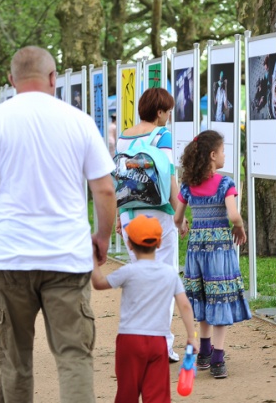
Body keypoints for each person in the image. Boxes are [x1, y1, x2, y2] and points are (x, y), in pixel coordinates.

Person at [0, 46, 116, 402]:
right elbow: (105, 189)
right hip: (67, 257)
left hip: (10, 257)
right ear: (52, 77)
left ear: (12, 80)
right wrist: (102, 236)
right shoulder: (79, 120)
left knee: (15, 361)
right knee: (74, 357)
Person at [91, 214, 198, 403]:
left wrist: (91, 257)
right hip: (158, 341)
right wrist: (191, 337)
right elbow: (185, 306)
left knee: (127, 393)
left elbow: (99, 283)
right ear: (158, 244)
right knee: (157, 396)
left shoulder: (128, 272)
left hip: (129, 340)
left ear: (130, 244)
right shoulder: (170, 274)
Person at [173, 130, 252, 379]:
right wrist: (238, 227)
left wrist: (183, 225)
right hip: (219, 249)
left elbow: (177, 217)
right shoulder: (225, 184)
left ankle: (204, 352)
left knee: (205, 297)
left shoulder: (188, 185)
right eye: (223, 150)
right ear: (213, 155)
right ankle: (218, 358)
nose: (225, 155)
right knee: (219, 298)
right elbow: (233, 215)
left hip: (196, 248)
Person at [115, 87, 186, 363]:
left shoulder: (123, 137)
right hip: (159, 214)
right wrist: (179, 214)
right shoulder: (162, 135)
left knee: (140, 278)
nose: (169, 116)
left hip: (129, 214)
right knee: (164, 278)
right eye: (168, 111)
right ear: (159, 112)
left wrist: (118, 219)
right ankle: (161, 344)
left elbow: (118, 179)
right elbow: (167, 175)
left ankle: (137, 340)